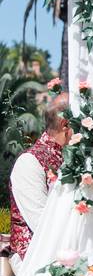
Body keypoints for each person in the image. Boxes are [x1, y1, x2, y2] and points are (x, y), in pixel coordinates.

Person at [9, 93, 71, 261]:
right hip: (34, 256)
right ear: (65, 124)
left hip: (71, 249)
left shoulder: (74, 159)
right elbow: (42, 225)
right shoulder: (29, 162)